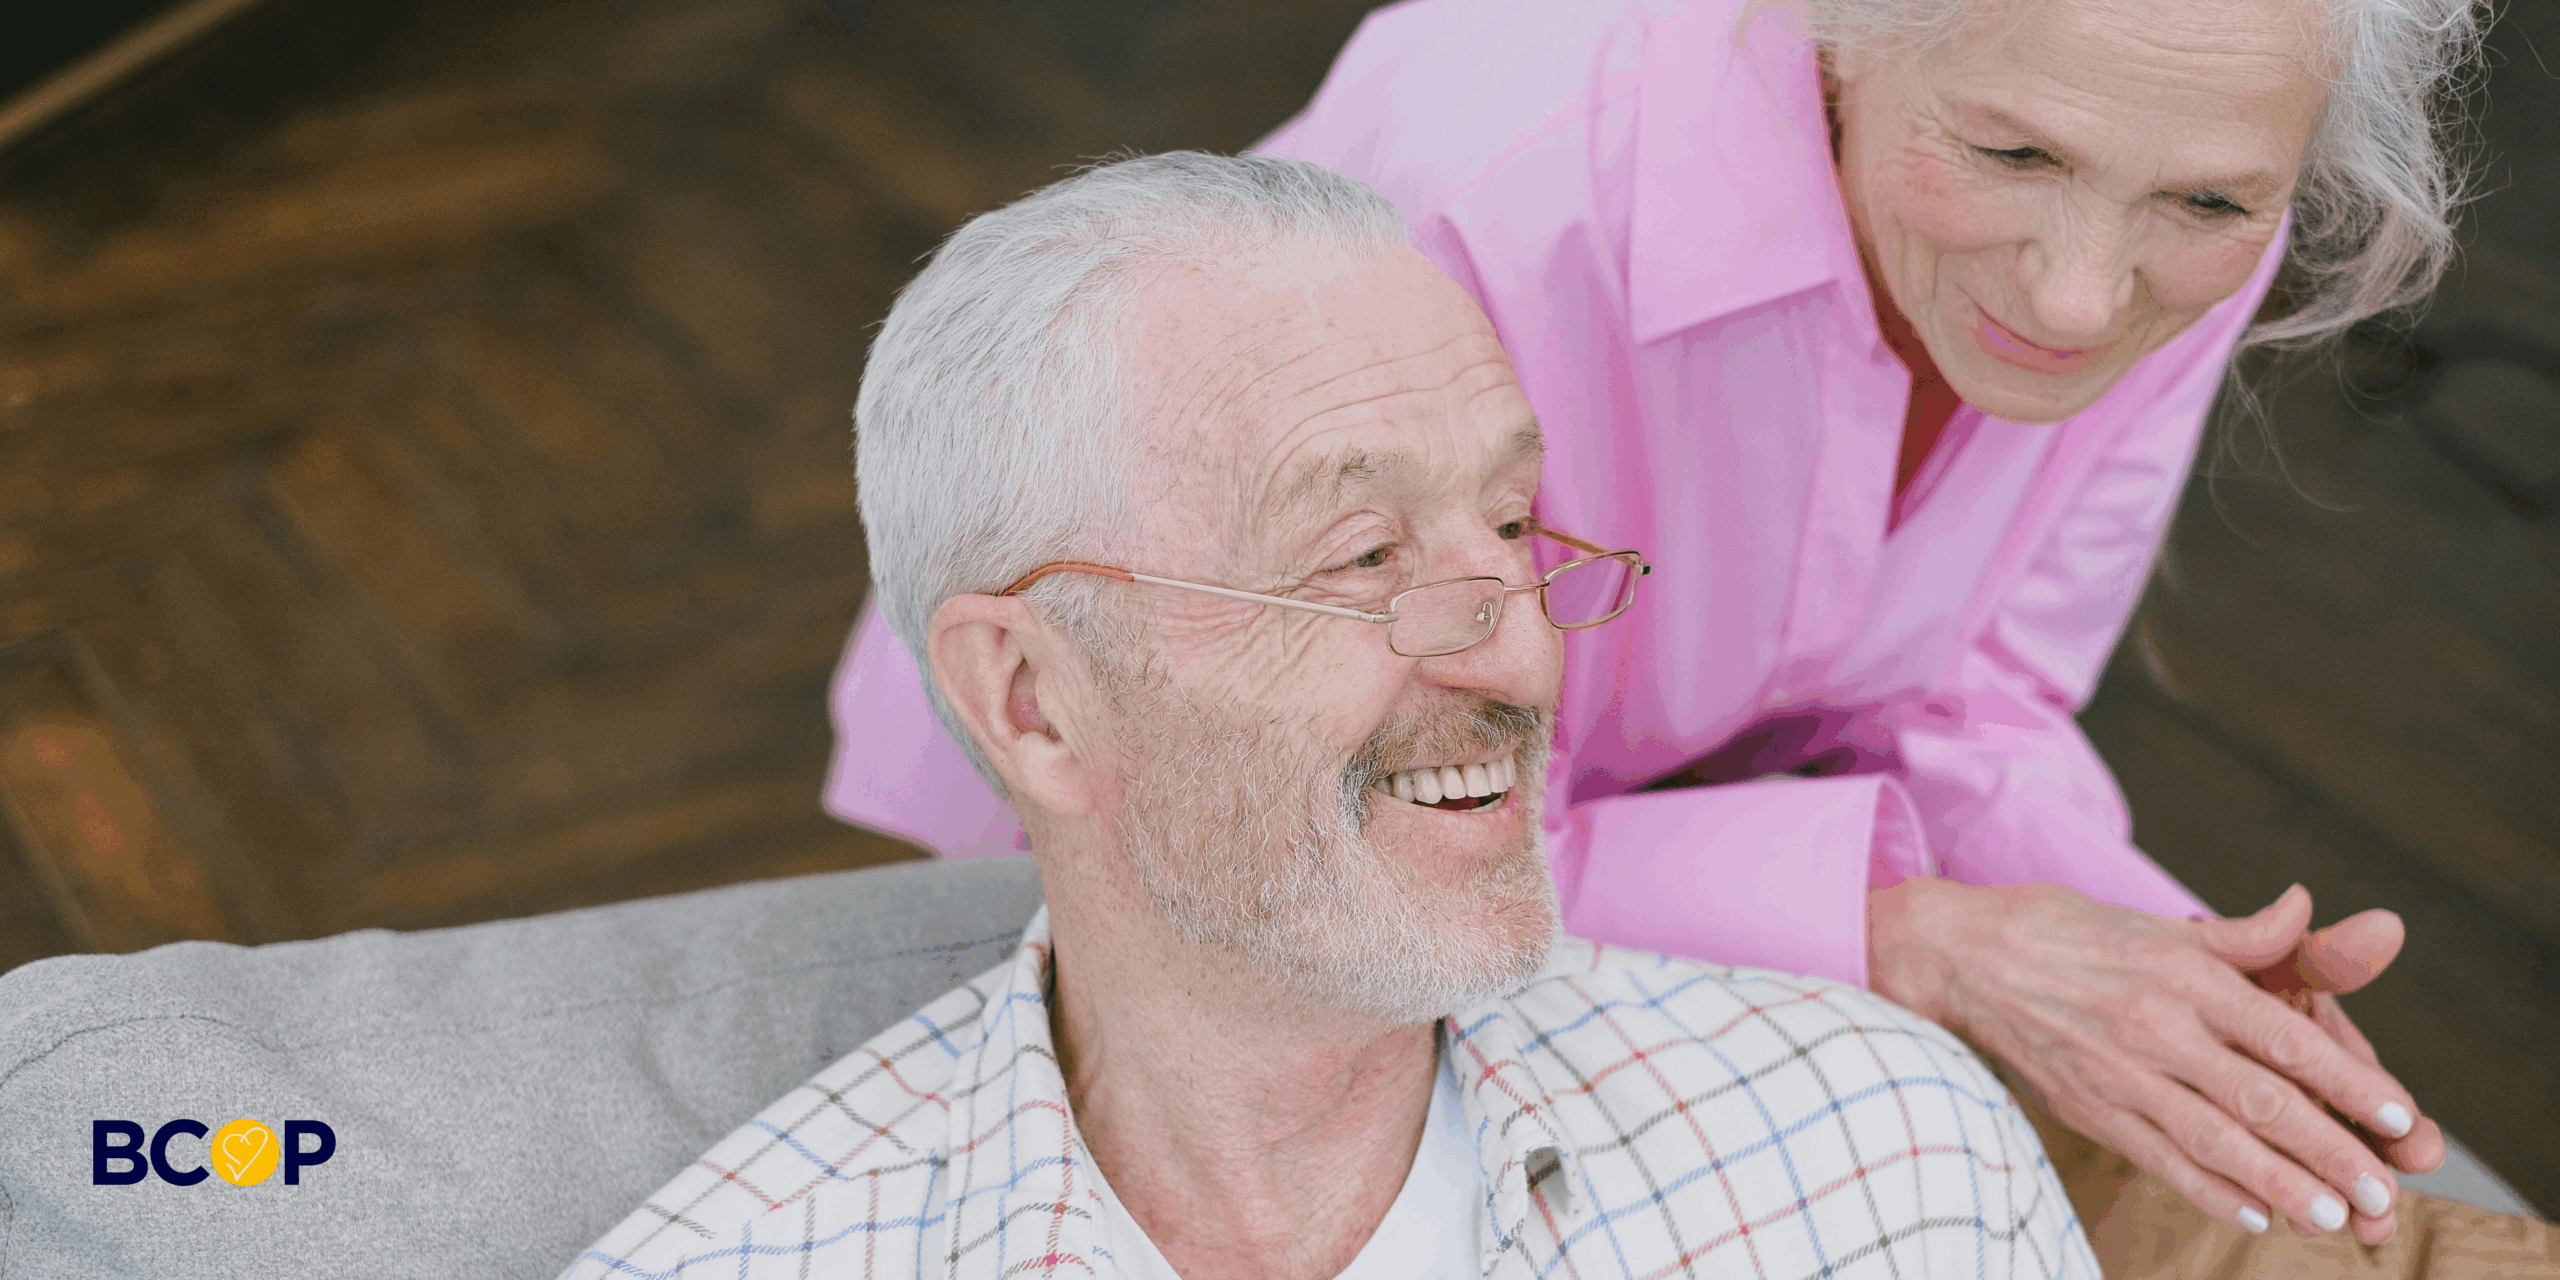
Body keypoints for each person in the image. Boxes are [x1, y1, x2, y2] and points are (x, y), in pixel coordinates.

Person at [818, 0, 2496, 1250]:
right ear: (1843, 37)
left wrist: (2150, 967)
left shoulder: (2190, 173)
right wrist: (1924, 941)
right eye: (2007, 154)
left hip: (1583, 819)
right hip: (1211, 819)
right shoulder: (1494, 196)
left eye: (2207, 205)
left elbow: (1973, 680)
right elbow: (1356, 832)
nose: (2078, 295)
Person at [563, 152, 2093, 1280]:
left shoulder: (1888, 1168)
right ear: (1034, 701)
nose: (1514, 658)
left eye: (1509, 524)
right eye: (1363, 559)